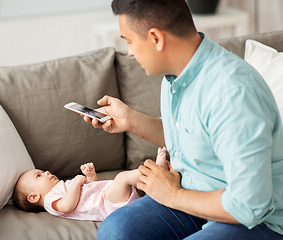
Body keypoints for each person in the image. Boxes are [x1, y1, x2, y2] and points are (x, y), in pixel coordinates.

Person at [82, 0, 283, 239]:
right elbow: (188, 138)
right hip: (192, 196)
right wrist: (130, 120)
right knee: (115, 231)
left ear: (156, 38)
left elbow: (249, 205)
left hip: (254, 219)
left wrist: (173, 194)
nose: (130, 52)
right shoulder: (176, 77)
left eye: (129, 40)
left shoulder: (233, 92)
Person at [13, 154, 170, 221]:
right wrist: (75, 183)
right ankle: (157, 171)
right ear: (34, 197)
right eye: (39, 176)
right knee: (123, 178)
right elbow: (67, 206)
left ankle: (157, 181)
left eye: (42, 171)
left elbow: (90, 190)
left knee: (134, 184)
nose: (46, 172)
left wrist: (90, 177)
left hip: (107, 196)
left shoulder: (62, 187)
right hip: (107, 204)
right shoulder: (50, 202)